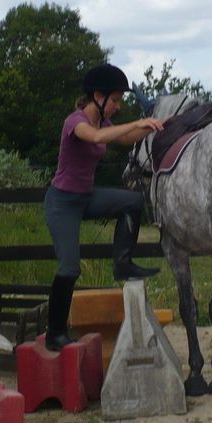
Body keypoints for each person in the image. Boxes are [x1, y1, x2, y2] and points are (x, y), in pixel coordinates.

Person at [44, 63, 164, 351]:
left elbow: (122, 139)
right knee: (70, 268)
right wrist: (136, 123)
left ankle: (122, 264)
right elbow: (97, 139)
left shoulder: (104, 124)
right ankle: (55, 333)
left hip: (86, 197)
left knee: (132, 201)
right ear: (97, 96)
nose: (118, 107)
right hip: (62, 203)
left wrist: (151, 126)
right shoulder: (75, 122)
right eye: (115, 101)